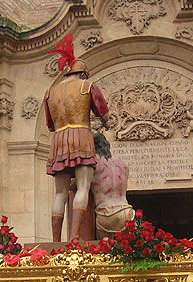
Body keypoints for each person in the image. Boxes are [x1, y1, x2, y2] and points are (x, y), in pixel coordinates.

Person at [44, 33, 109, 241]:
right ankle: (73, 237)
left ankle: (56, 242)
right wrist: (106, 123)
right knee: (83, 186)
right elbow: (102, 111)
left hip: (60, 140)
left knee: (60, 193)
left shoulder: (50, 92)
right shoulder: (87, 86)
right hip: (81, 135)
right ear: (83, 74)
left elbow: (50, 124)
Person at [90, 132, 134, 240]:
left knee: (105, 252)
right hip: (126, 211)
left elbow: (80, 185)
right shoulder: (123, 164)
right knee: (127, 251)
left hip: (106, 212)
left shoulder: (93, 163)